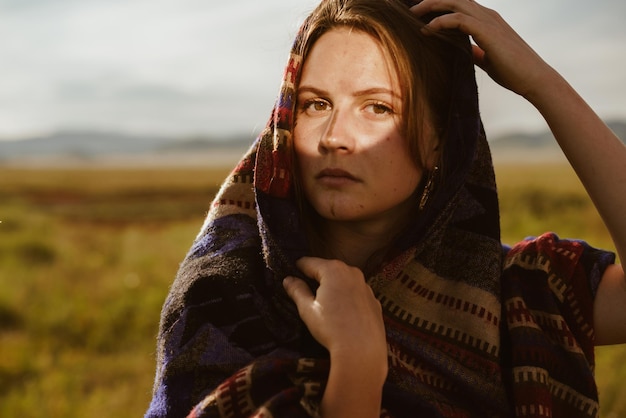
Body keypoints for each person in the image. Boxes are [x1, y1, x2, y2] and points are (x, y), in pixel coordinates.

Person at [145, 0, 626, 416]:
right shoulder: (224, 299)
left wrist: (542, 84)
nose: (335, 137)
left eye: (378, 107)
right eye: (315, 104)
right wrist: (357, 367)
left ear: (441, 142)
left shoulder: (511, 298)